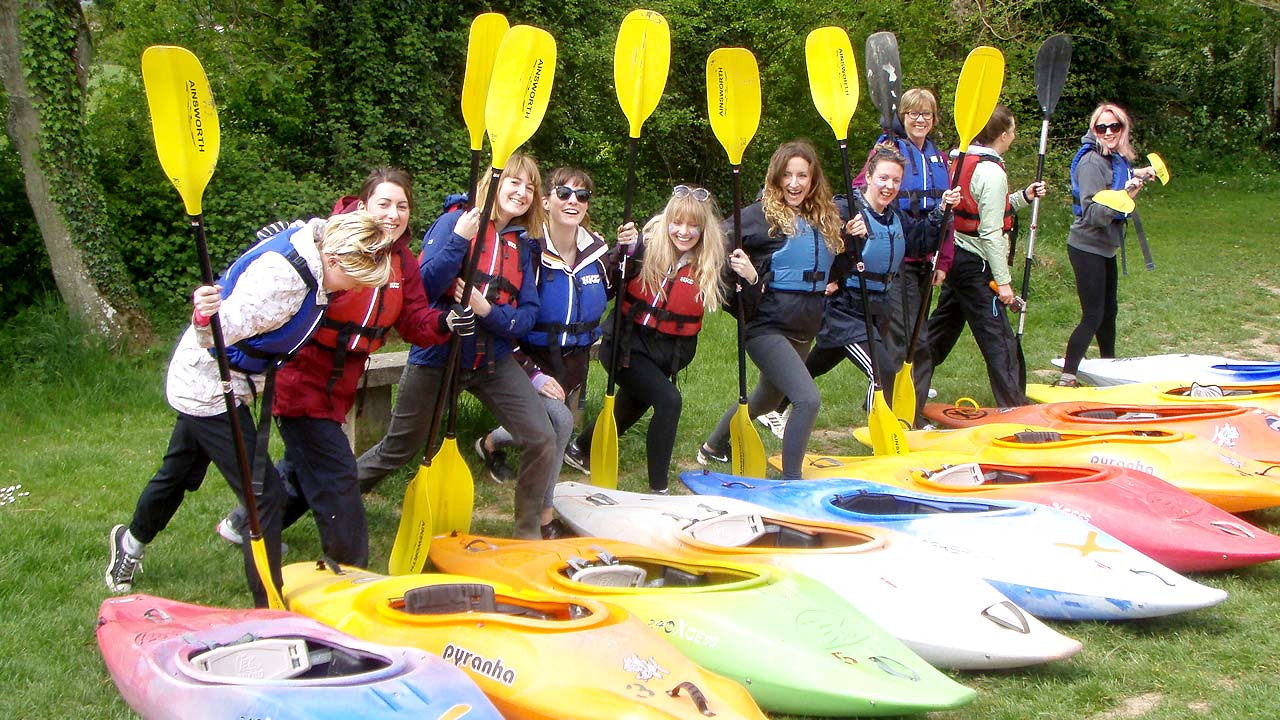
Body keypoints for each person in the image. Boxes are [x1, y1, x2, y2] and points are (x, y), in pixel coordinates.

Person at [106, 211, 393, 607]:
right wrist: (203, 312)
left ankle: (130, 541)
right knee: (266, 496)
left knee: (180, 471)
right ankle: (270, 607)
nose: (358, 288)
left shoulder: (320, 242)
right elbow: (211, 332)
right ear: (334, 261)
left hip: (237, 381)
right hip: (208, 384)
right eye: (357, 279)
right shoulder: (283, 282)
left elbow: (315, 225)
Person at [214, 168, 468, 567]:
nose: (393, 214)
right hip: (301, 382)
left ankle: (245, 522)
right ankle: (348, 566)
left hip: (340, 389)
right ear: (364, 205)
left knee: (305, 465)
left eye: (402, 206)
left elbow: (414, 319)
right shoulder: (334, 245)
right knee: (337, 481)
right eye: (383, 203)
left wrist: (444, 322)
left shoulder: (402, 261)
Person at [356, 153, 556, 540]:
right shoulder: (455, 222)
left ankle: (527, 532)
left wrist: (488, 311)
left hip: (491, 359)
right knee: (399, 448)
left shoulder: (522, 244)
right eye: (514, 181)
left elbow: (528, 313)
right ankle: (338, 498)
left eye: (530, 187)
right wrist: (460, 240)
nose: (522, 192)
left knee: (541, 436)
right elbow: (423, 288)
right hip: (439, 354)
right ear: (494, 182)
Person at [570, 184, 749, 493]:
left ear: (704, 229)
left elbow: (748, 309)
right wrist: (620, 253)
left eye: (694, 225)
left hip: (667, 353)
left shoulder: (712, 264)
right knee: (669, 401)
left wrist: (751, 278)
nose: (684, 231)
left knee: (633, 404)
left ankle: (579, 450)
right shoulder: (643, 250)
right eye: (677, 222)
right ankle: (659, 490)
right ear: (667, 222)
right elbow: (609, 286)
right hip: (625, 346)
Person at [472, 167, 621, 537]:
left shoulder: (597, 253)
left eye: (582, 196)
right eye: (564, 193)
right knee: (560, 423)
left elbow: (606, 293)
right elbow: (512, 318)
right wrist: (532, 373)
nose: (573, 201)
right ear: (546, 200)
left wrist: (626, 253)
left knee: (550, 427)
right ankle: (544, 515)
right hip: (526, 359)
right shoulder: (529, 250)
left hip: (571, 364)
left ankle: (490, 442)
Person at [695, 141, 844, 480]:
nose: (794, 183)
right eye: (787, 175)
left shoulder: (824, 217)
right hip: (766, 326)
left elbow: (836, 262)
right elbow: (713, 241)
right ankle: (792, 481)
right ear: (776, 179)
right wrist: (746, 277)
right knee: (807, 399)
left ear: (813, 179)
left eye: (802, 175)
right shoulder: (760, 216)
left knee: (765, 398)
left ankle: (713, 447)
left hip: (805, 326)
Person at [797, 145, 956, 417]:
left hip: (877, 309)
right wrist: (846, 234)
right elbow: (816, 250)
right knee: (882, 372)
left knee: (817, 363)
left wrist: (941, 211)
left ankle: (775, 403)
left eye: (895, 180)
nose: (889, 186)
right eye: (883, 178)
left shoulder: (894, 215)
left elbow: (918, 242)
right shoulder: (845, 208)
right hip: (845, 309)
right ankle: (879, 436)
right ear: (869, 177)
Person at [918, 105, 1046, 407]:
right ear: (1003, 135)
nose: (1014, 135)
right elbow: (990, 232)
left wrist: (1024, 197)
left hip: (955, 256)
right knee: (998, 337)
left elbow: (982, 209)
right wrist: (1003, 284)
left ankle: (908, 385)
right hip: (977, 265)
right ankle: (1014, 405)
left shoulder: (957, 158)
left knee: (941, 329)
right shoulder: (991, 171)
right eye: (1012, 130)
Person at [867, 89, 954, 425]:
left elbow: (948, 219)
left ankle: (902, 410)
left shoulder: (937, 157)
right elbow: (867, 190)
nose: (920, 120)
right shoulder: (888, 151)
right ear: (902, 117)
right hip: (897, 261)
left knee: (918, 341)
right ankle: (900, 415)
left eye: (927, 114)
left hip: (926, 262)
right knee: (908, 342)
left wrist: (943, 262)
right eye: (914, 114)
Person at [1056, 103, 1154, 387]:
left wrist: (1141, 174)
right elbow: (1094, 215)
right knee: (1093, 315)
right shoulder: (1091, 163)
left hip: (1106, 247)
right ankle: (1067, 376)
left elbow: (1119, 176)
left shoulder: (1113, 158)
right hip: (1086, 246)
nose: (1109, 132)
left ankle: (1108, 371)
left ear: (1123, 129)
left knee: (1109, 312)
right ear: (1093, 130)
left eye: (1115, 126)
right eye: (1102, 127)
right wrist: (1127, 193)